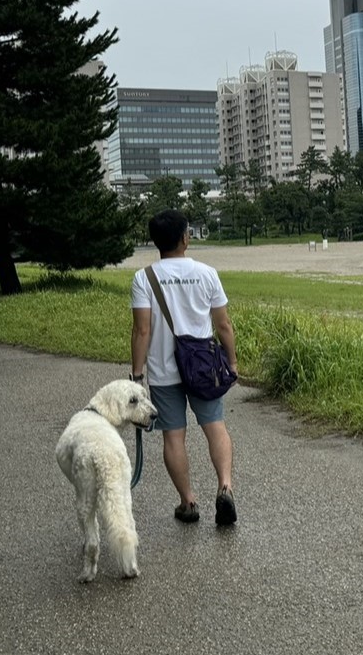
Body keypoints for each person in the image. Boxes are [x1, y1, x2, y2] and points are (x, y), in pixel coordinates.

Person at [130, 210, 239, 526]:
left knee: (173, 438)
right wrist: (231, 361)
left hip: (164, 372)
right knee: (215, 425)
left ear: (156, 240)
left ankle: (188, 502)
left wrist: (137, 376)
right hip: (203, 367)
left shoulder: (144, 278)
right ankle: (225, 487)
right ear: (185, 238)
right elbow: (224, 325)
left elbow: (142, 331)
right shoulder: (207, 273)